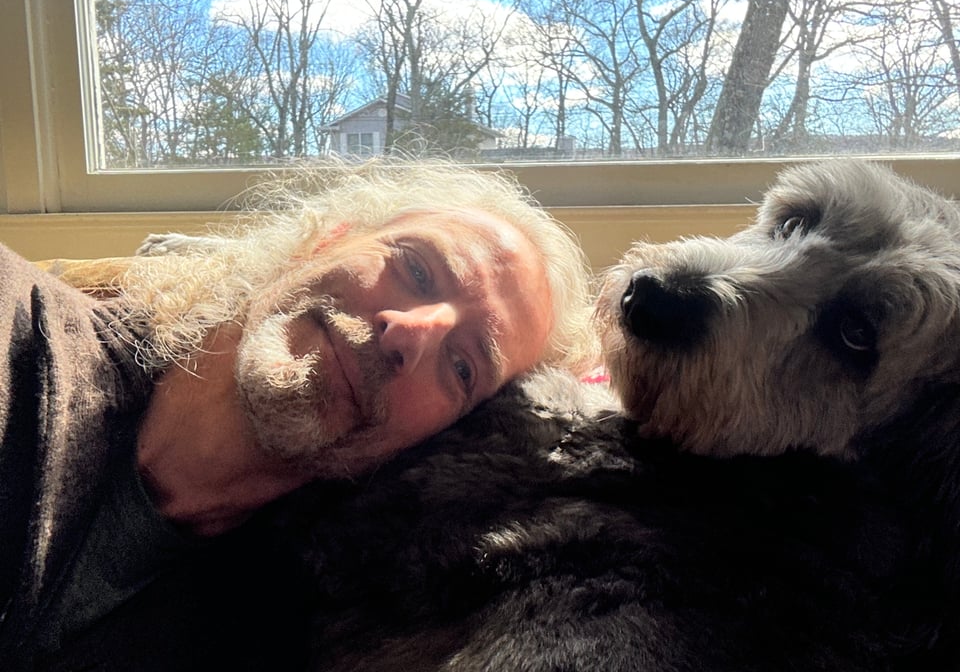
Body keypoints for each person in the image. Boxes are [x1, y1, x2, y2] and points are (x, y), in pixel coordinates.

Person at [0, 159, 597, 668]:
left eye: (463, 368)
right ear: (326, 239)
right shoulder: (14, 324)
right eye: (416, 270)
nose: (409, 335)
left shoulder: (297, 630)